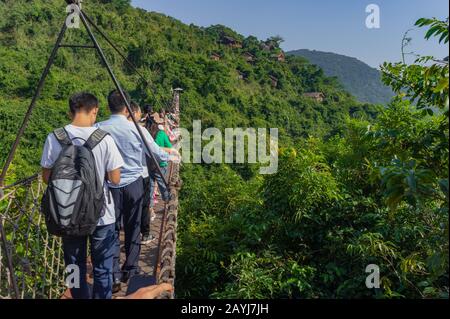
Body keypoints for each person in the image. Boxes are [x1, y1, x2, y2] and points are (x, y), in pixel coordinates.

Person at [41, 92, 124, 299]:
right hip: (102, 214)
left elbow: (46, 177)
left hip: (67, 211)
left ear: (71, 111)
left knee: (73, 267)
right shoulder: (104, 139)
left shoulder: (55, 137)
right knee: (102, 268)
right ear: (94, 110)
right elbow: (115, 179)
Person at [96, 90, 178, 293]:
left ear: (109, 107)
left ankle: (113, 273)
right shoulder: (135, 129)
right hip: (134, 184)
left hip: (108, 186)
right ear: (127, 108)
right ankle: (130, 269)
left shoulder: (98, 128)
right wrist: (172, 155)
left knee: (111, 229)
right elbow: (156, 152)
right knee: (133, 227)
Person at [148, 112, 176, 215]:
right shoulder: (161, 134)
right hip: (161, 164)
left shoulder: (148, 133)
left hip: (149, 164)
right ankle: (168, 203)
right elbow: (170, 148)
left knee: (150, 187)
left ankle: (150, 208)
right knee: (162, 185)